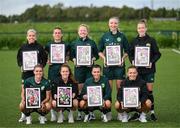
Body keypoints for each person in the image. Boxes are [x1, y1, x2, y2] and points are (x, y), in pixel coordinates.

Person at [129, 19, 161, 121]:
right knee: (137, 91)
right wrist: (133, 61)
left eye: (143, 27)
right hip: (138, 71)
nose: (141, 29)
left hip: (149, 70)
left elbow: (158, 54)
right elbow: (130, 54)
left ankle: (152, 112)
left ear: (146, 28)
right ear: (137, 29)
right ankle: (138, 113)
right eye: (139, 28)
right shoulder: (134, 41)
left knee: (149, 91)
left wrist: (151, 62)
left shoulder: (151, 40)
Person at [98, 17, 130, 120]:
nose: (113, 25)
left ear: (118, 24)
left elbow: (127, 51)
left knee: (120, 89)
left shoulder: (122, 36)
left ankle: (121, 112)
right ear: (108, 24)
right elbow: (99, 51)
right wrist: (104, 59)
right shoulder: (104, 36)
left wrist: (122, 58)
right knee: (108, 90)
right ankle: (107, 112)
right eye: (111, 23)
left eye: (115, 23)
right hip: (108, 67)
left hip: (119, 67)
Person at [17, 29, 48, 122]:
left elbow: (45, 58)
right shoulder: (23, 47)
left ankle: (41, 112)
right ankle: (24, 113)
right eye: (29, 35)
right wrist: (21, 65)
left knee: (40, 91)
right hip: (26, 73)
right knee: (25, 91)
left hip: (37, 73)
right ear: (27, 36)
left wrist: (41, 67)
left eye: (33, 35)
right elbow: (18, 58)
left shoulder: (39, 47)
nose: (31, 37)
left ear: (36, 37)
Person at [71, 24, 99, 120]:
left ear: (87, 32)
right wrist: (74, 60)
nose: (82, 32)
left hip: (89, 69)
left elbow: (97, 55)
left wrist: (92, 59)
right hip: (79, 70)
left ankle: (90, 111)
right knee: (79, 91)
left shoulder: (91, 42)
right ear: (78, 32)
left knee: (90, 90)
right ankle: (80, 112)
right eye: (81, 30)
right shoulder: (74, 43)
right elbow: (71, 55)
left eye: (84, 30)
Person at [45, 27, 71, 121]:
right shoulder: (49, 44)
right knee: (52, 91)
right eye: (55, 33)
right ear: (53, 34)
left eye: (59, 33)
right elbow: (44, 54)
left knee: (64, 90)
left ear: (62, 34)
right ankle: (53, 113)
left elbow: (69, 54)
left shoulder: (66, 44)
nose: (57, 34)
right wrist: (47, 60)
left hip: (63, 70)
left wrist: (67, 60)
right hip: (52, 70)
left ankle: (63, 112)